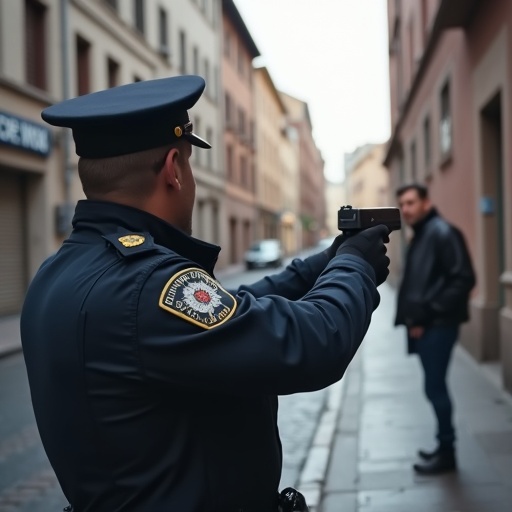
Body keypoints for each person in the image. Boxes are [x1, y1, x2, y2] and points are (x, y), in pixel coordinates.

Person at [20, 75, 391, 512]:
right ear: (174, 169)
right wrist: (355, 265)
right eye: (192, 165)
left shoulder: (58, 272)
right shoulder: (146, 283)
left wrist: (321, 264)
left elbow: (224, 313)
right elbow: (312, 343)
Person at [395, 183, 476, 475]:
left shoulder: (442, 232)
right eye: (402, 204)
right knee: (434, 387)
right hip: (428, 325)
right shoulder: (424, 234)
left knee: (435, 388)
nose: (406, 209)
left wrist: (425, 315)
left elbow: (463, 279)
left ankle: (447, 453)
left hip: (438, 327)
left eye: (411, 203)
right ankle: (443, 447)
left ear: (426, 203)